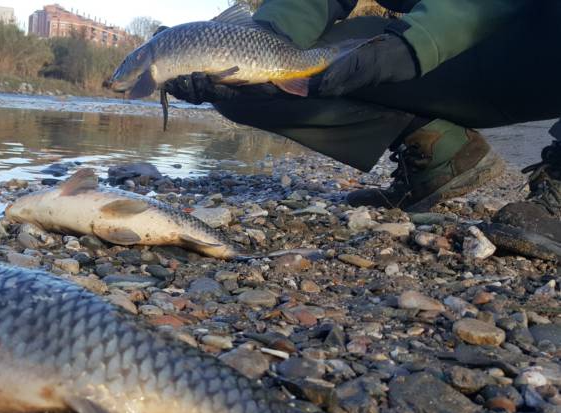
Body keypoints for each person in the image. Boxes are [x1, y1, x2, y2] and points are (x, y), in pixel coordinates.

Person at [162, 0, 561, 261]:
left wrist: (417, 43)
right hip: (459, 54)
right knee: (248, 77)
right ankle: (439, 148)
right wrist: (268, 41)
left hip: (539, 43)